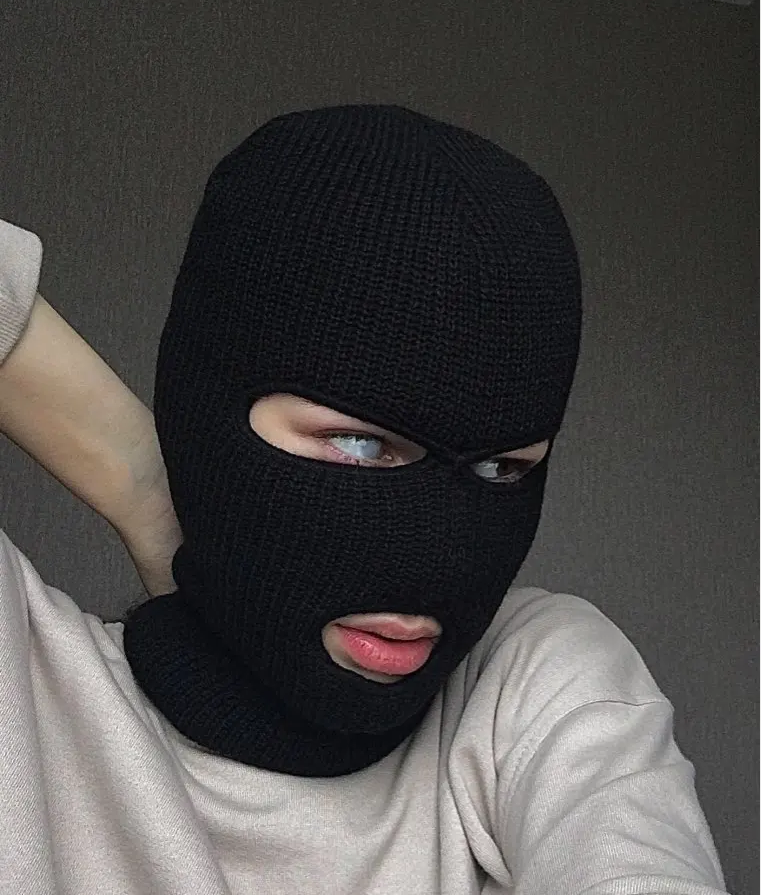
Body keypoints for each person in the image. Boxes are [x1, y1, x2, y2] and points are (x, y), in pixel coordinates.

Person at [0, 104, 729, 894]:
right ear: (201, 414)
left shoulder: (531, 675)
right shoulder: (29, 687)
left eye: (500, 469)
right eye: (356, 445)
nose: (437, 562)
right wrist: (143, 481)